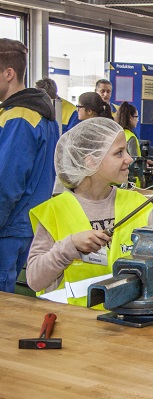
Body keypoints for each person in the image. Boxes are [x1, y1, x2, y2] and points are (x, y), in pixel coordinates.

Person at [26, 118, 153, 307]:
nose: (129, 159)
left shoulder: (136, 203)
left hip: (134, 322)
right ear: (90, 161)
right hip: (75, 324)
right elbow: (35, 280)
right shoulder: (54, 211)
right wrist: (69, 248)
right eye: (119, 153)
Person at [0, 38, 60, 293]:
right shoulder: (41, 115)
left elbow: (7, 183)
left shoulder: (19, 118)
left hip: (8, 227)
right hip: (26, 223)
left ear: (9, 73)